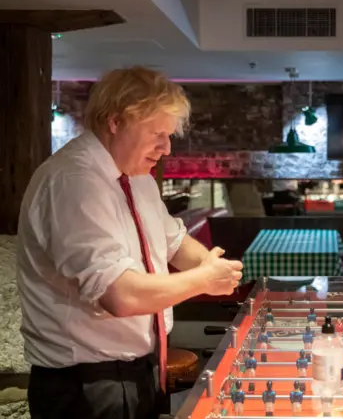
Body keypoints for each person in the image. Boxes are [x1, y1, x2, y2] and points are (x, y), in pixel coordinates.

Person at [17, 66, 244, 419]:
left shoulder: (138, 178)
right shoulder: (74, 182)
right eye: (157, 133)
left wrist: (211, 265)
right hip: (86, 386)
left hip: (140, 370)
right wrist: (203, 281)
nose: (167, 148)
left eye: (169, 136)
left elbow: (174, 241)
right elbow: (120, 296)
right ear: (115, 122)